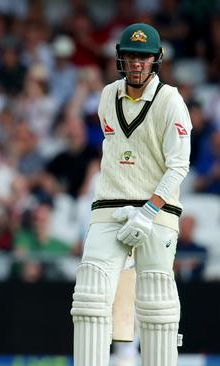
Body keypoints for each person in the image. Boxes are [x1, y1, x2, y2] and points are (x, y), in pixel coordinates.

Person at [70, 23, 192, 366]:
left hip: (157, 212)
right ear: (120, 59)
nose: (137, 63)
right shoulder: (108, 95)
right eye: (131, 56)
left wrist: (149, 211)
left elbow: (179, 166)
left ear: (156, 61)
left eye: (144, 57)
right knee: (90, 297)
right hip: (108, 207)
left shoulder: (171, 101)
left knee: (157, 306)